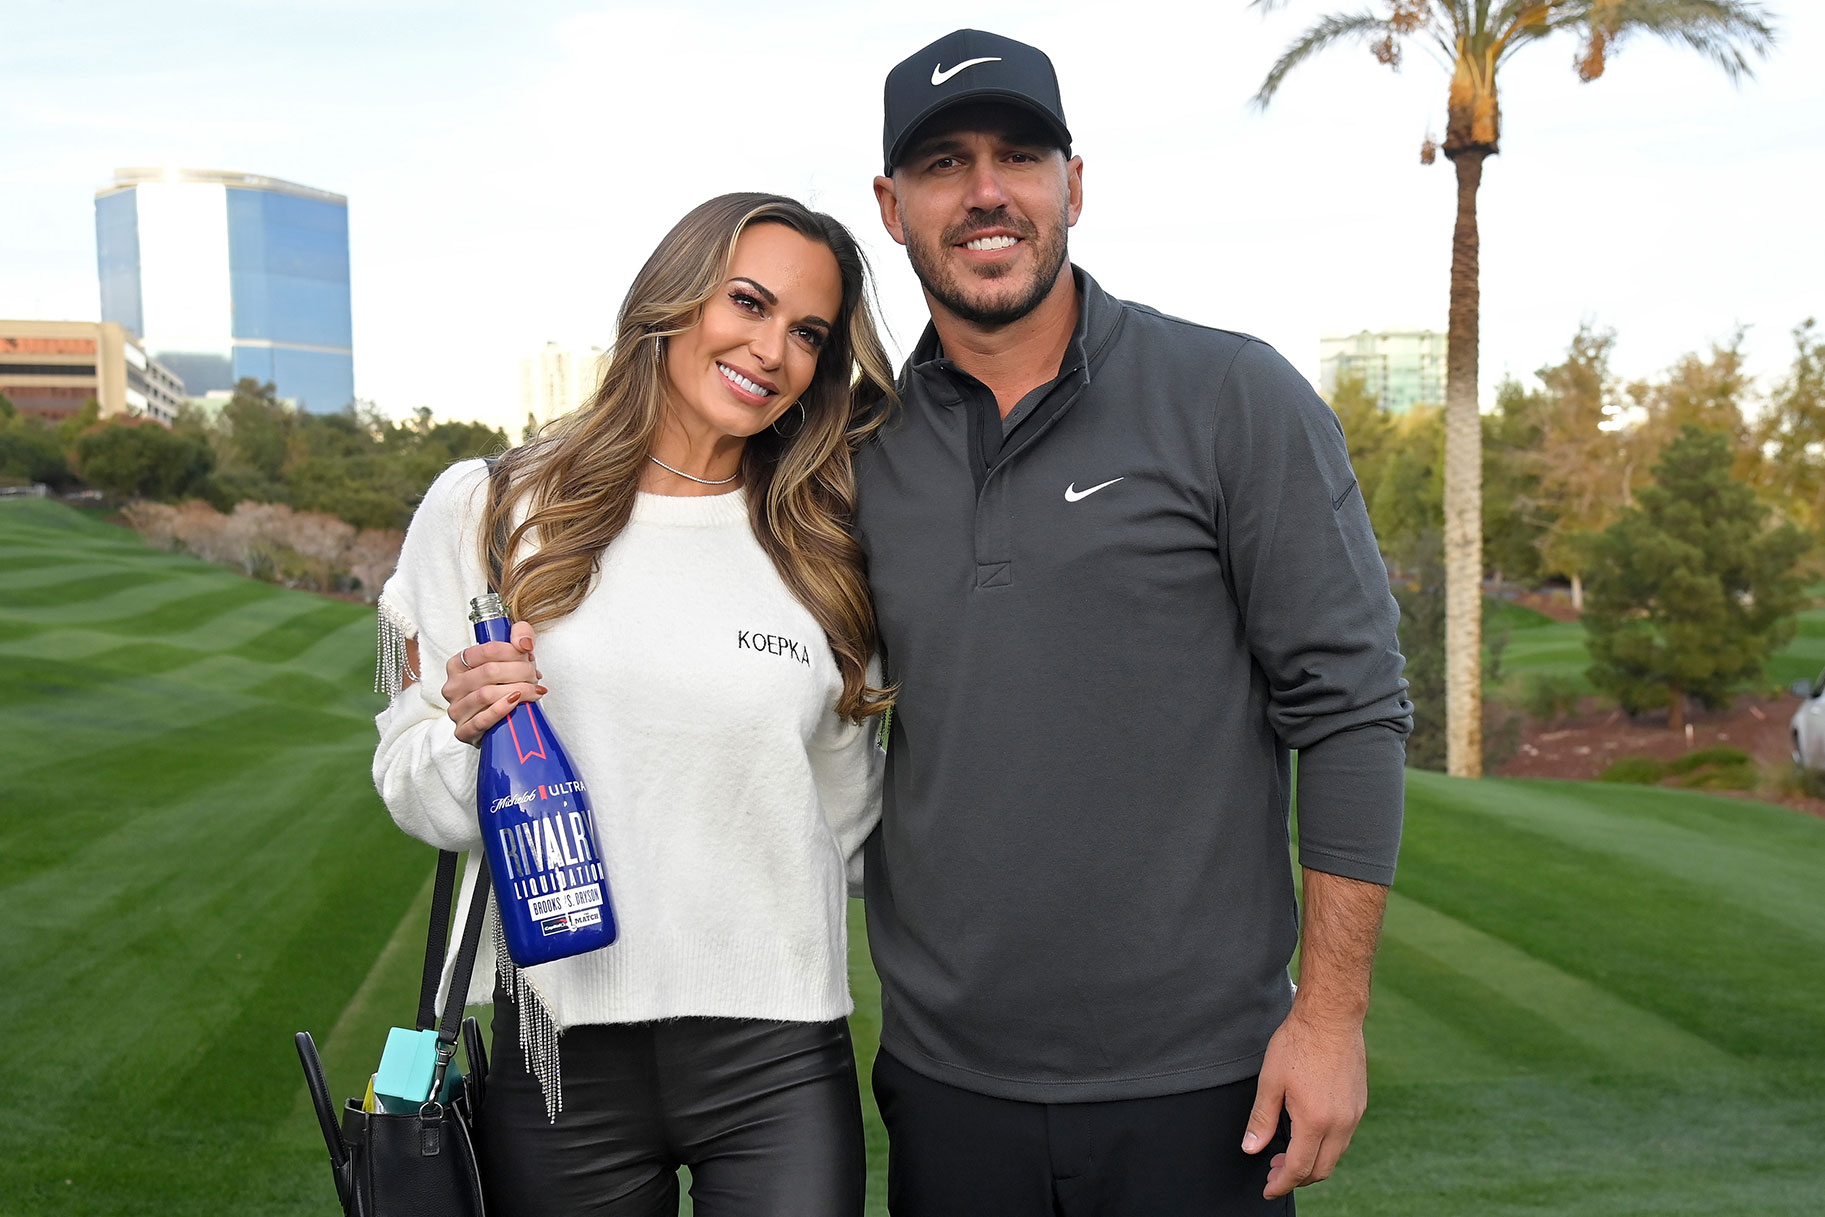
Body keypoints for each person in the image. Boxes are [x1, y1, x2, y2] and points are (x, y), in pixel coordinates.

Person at [853, 29, 1414, 1216]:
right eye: (945, 164)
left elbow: (1354, 707)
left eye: (1020, 156)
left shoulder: (1230, 394)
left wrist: (1329, 1017)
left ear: (1075, 184)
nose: (987, 192)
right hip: (947, 1086)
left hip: (1204, 1087)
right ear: (892, 206)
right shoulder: (852, 450)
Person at [370, 192, 895, 1217]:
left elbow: (844, 816)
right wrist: (472, 734)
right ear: (674, 297)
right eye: (747, 301)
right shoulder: (488, 508)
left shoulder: (826, 542)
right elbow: (410, 785)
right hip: (554, 1054)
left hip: (779, 1051)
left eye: (807, 333)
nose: (771, 348)